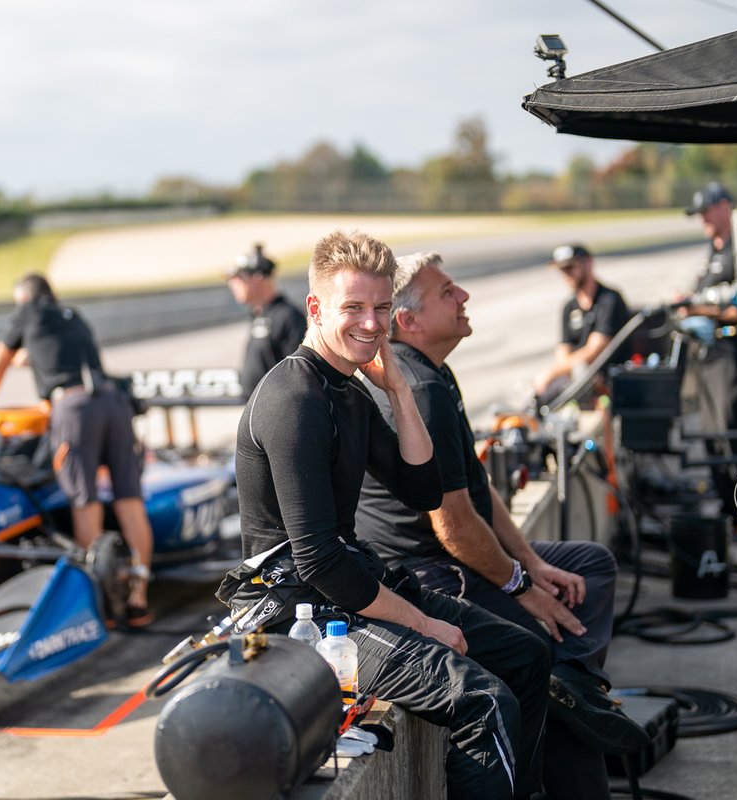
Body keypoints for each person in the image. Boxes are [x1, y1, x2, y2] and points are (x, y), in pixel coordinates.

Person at [216, 230, 551, 800]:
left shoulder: (348, 387)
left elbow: (420, 489)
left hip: (348, 584)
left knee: (527, 654)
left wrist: (395, 390)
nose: (371, 324)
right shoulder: (293, 399)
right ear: (317, 308)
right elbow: (317, 558)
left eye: (381, 308)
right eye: (354, 308)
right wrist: (424, 625)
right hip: (296, 608)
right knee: (481, 700)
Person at [354, 252, 650, 799]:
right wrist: (522, 587)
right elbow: (454, 526)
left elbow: (478, 489)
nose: (463, 296)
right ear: (408, 321)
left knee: (590, 565)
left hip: (454, 555)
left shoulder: (433, 375)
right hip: (426, 575)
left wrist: (532, 565)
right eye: (448, 292)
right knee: (538, 640)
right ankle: (571, 698)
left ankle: (574, 685)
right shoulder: (417, 389)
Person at [0, 273, 155, 626]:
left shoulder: (27, 310)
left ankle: (98, 602)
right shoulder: (71, 316)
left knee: (84, 501)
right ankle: (138, 599)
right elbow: (48, 355)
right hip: (113, 402)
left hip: (75, 410)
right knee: (129, 502)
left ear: (26, 296)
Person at [680, 181, 737, 542]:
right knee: (713, 438)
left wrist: (696, 307)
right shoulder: (711, 252)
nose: (703, 218)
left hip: (733, 355)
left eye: (707, 210)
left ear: (726, 207)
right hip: (707, 355)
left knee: (735, 435)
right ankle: (728, 508)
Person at [532, 243, 631, 405]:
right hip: (577, 375)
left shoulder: (609, 299)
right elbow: (563, 349)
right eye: (562, 270)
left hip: (607, 375)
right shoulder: (569, 306)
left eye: (570, 267)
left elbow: (596, 350)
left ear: (588, 263)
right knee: (540, 393)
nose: (566, 274)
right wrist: (558, 373)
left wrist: (552, 373)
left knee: (571, 376)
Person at [225, 243, 307, 398]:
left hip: (276, 410)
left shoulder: (288, 316)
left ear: (257, 279)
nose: (232, 285)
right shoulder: (258, 314)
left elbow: (298, 373)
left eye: (239, 279)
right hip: (256, 408)